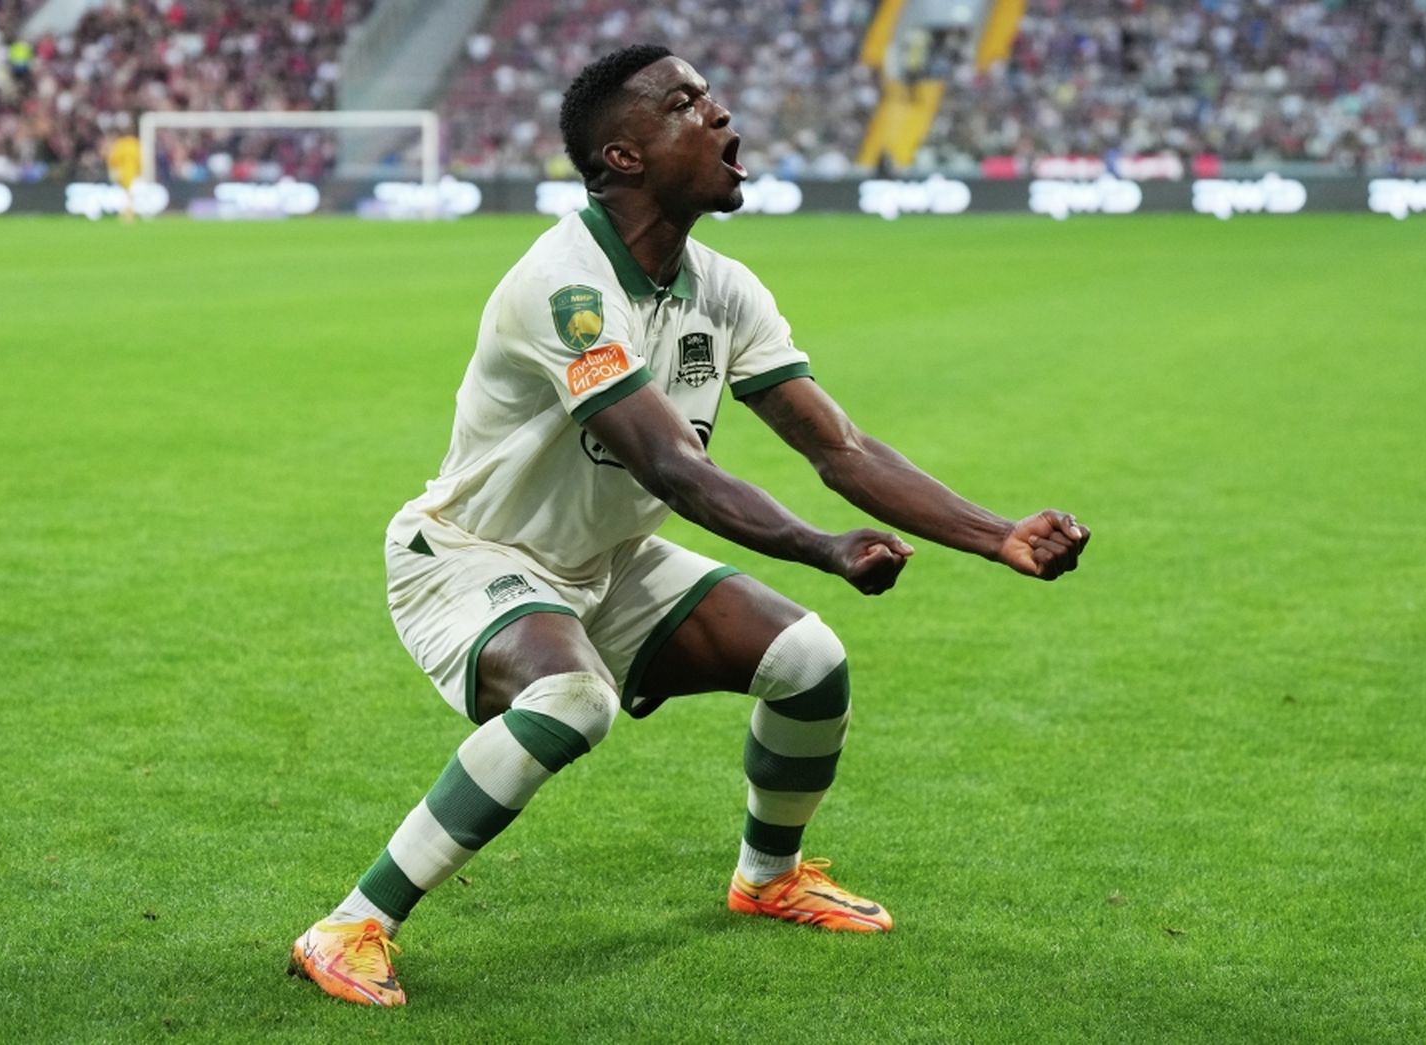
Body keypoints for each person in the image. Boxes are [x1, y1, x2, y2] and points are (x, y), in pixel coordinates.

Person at [288, 44, 1089, 1008]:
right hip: (469, 555)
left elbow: (838, 445)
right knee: (572, 700)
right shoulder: (567, 287)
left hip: (604, 557)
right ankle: (351, 924)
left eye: (711, 96)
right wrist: (823, 547)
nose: (719, 115)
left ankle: (768, 877)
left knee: (809, 661)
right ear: (623, 157)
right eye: (684, 103)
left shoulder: (722, 287)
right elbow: (674, 467)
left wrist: (996, 533)